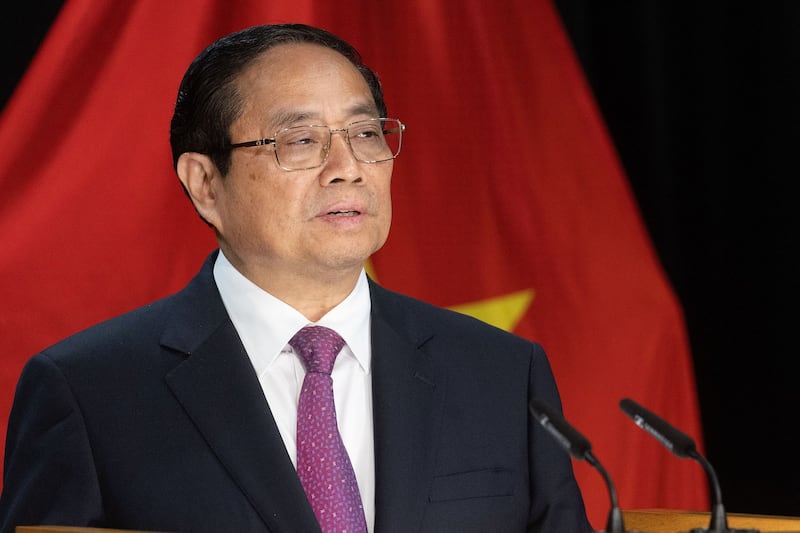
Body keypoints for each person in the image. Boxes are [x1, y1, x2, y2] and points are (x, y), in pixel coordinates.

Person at [0, 23, 593, 533]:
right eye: (301, 141)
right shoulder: (88, 392)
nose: (347, 169)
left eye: (365, 134)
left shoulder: (501, 374)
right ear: (205, 183)